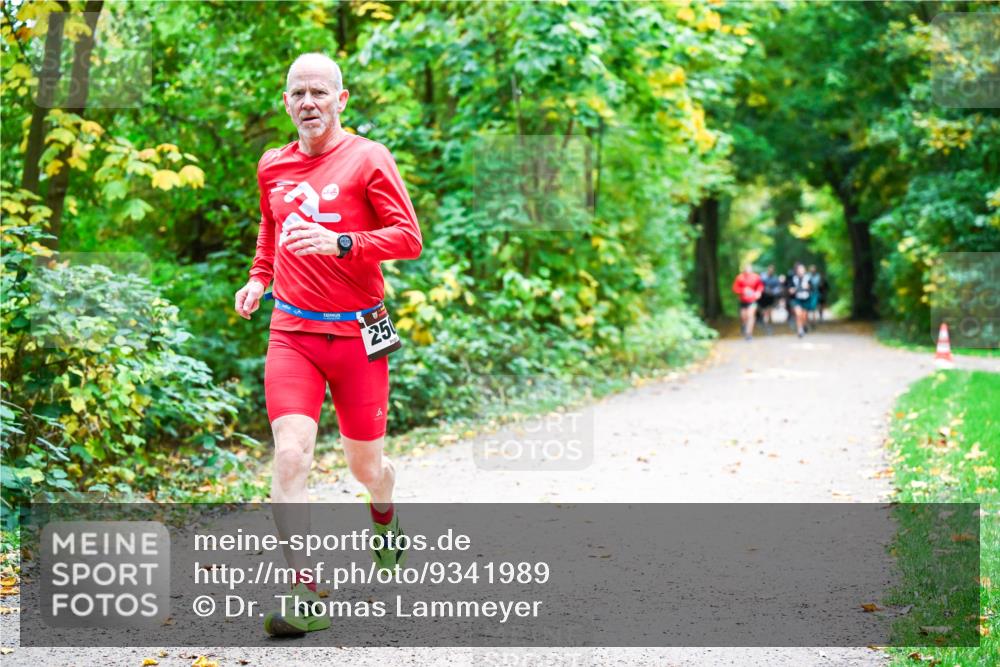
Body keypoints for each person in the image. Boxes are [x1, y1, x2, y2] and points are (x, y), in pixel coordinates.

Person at [233, 53, 423, 636]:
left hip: (360, 333)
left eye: (320, 92)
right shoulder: (273, 165)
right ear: (286, 102)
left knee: (366, 466)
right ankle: (308, 592)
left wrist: (341, 243)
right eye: (298, 93)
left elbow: (408, 239)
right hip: (292, 332)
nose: (308, 102)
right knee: (290, 454)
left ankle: (384, 514)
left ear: (341, 100)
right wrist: (259, 277)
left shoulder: (370, 158)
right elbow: (271, 226)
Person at [732, 263, 764, 341]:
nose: (747, 270)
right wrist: (743, 290)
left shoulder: (756, 277)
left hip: (752, 300)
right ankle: (744, 325)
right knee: (744, 316)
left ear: (751, 269)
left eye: (749, 269)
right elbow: (735, 288)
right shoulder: (740, 277)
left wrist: (758, 292)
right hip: (743, 300)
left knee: (750, 315)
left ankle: (749, 334)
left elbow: (760, 286)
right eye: (746, 269)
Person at [788, 262, 812, 337]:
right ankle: (800, 330)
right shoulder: (793, 278)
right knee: (798, 314)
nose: (801, 271)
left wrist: (808, 287)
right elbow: (789, 288)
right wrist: (792, 290)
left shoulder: (808, 278)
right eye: (799, 269)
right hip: (796, 299)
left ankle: (804, 325)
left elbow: (812, 288)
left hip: (806, 298)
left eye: (802, 269)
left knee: (804, 316)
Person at [757, 264, 782, 334]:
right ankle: (766, 325)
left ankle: (768, 325)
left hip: (771, 298)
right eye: (769, 269)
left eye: (772, 270)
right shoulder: (762, 277)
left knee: (769, 312)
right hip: (762, 299)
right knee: (765, 312)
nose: (771, 271)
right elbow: (759, 285)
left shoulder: (775, 278)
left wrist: (773, 292)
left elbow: (778, 288)